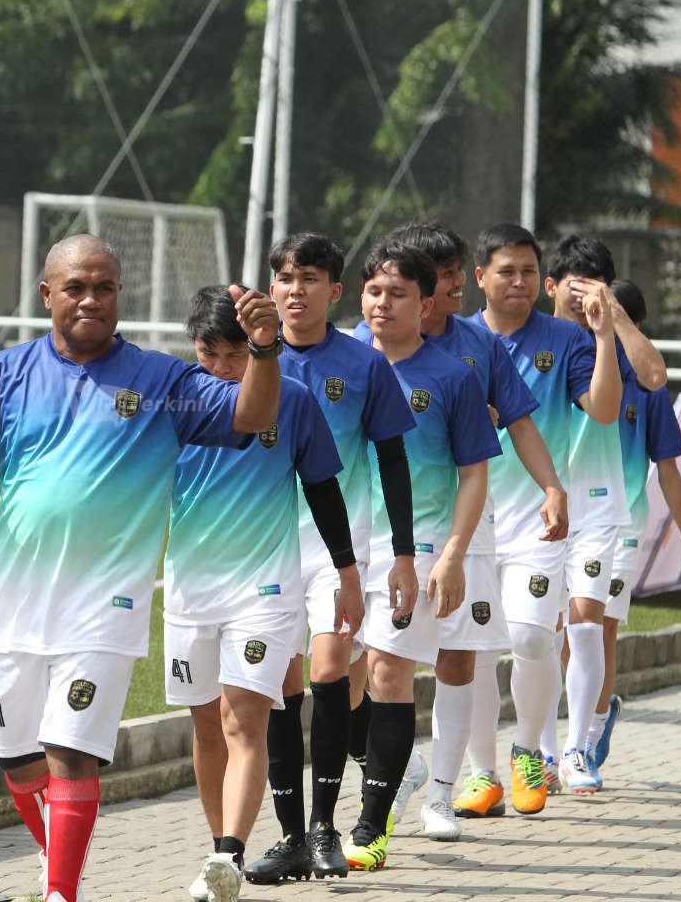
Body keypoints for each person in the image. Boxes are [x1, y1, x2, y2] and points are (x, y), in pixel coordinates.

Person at [0, 235, 284, 902]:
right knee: (17, 759)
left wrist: (263, 349)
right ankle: (58, 854)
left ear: (120, 294)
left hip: (105, 604)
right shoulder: (0, 374)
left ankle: (61, 892)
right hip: (17, 601)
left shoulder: (163, 381)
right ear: (47, 294)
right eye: (77, 287)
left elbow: (251, 415)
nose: (91, 299)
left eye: (104, 287)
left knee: (70, 751)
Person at [350, 220, 567, 825]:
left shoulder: (476, 349)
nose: (453, 286)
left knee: (461, 657)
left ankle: (446, 791)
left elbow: (518, 422)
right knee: (361, 666)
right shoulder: (360, 349)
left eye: (452, 274)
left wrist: (552, 486)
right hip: (372, 536)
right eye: (443, 275)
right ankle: (400, 766)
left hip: (460, 531)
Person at [166, 286, 362, 902]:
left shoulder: (293, 399)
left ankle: (230, 855)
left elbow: (324, 490)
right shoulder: (175, 400)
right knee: (206, 726)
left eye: (237, 353)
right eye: (210, 353)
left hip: (265, 588)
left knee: (242, 719)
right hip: (190, 588)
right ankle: (216, 851)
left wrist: (348, 575)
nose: (224, 367)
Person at [244, 233, 418, 884]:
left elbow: (393, 461)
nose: (296, 290)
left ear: (334, 291)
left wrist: (403, 554)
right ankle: (291, 836)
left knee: (328, 672)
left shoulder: (365, 365)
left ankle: (325, 829)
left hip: (337, 547)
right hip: (262, 546)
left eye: (310, 278)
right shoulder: (248, 359)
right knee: (279, 688)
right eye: (286, 278)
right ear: (272, 288)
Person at [347, 241, 500, 861]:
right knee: (341, 676)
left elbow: (474, 472)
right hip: (341, 544)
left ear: (425, 304)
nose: (382, 304)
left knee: (401, 669)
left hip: (420, 544)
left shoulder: (452, 376)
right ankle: (393, 770)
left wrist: (454, 553)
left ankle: (418, 801)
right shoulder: (341, 362)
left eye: (398, 293)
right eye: (374, 291)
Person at [467, 223, 622, 815]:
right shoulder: (457, 339)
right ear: (480, 277)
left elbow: (603, 410)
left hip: (538, 516)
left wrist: (604, 337)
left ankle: (529, 750)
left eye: (529, 271)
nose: (519, 281)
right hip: (468, 518)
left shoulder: (565, 338)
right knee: (476, 649)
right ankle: (482, 775)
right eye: (506, 271)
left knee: (532, 636)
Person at [538, 236, 666, 794]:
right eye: (574, 284)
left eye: (595, 284)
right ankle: (541, 750)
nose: (582, 295)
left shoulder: (608, 343)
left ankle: (577, 749)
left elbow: (656, 376)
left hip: (597, 505)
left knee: (586, 624)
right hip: (533, 502)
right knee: (539, 633)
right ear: (551, 286)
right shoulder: (532, 340)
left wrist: (613, 319)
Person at [596, 279, 681, 770]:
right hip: (565, 523)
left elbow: (668, 471)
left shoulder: (647, 386)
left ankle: (590, 731)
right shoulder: (570, 367)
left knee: (600, 626)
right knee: (560, 633)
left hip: (623, 523)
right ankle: (588, 711)